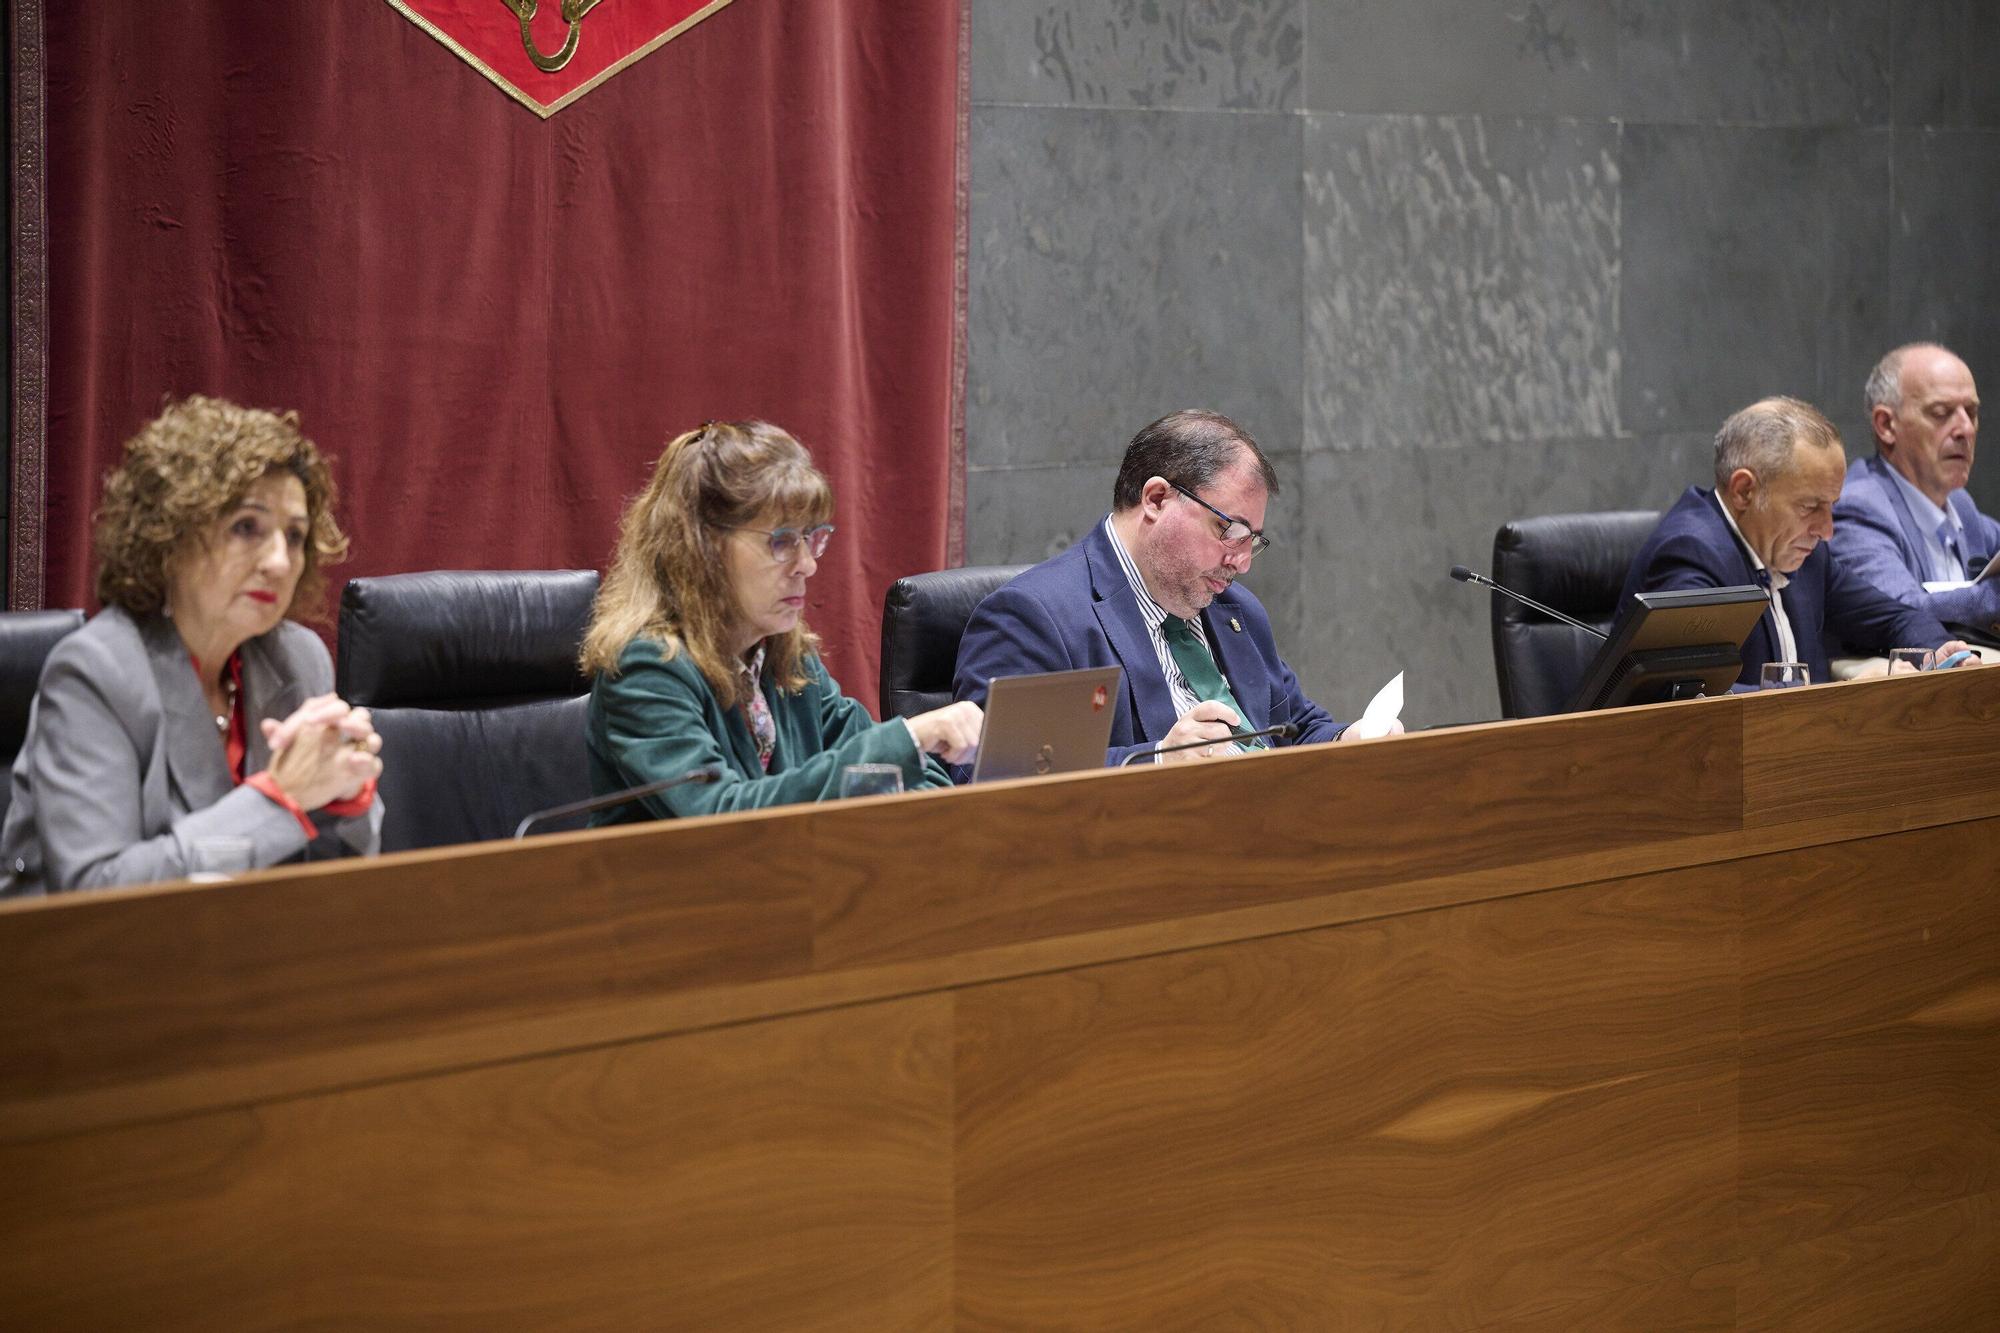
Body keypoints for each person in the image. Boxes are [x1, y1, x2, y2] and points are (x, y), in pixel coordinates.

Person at [1, 396, 383, 896]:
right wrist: (279, 798)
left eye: (294, 536)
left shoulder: (298, 658)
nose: (280, 561)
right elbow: (97, 892)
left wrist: (347, 796)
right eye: (248, 527)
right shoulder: (96, 671)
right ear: (171, 535)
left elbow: (337, 876)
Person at [581, 420, 981, 820]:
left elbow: (916, 777)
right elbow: (721, 817)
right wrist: (910, 738)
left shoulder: (785, 658)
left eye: (811, 538)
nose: (806, 565)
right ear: (702, 548)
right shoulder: (646, 669)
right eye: (782, 541)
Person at [954, 409, 1381, 768]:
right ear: (1157, 499)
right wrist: (1157, 760)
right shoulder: (1034, 617)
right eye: (1228, 530)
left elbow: (1296, 726)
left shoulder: (1235, 610)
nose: (1242, 562)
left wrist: (1350, 739)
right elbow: (991, 775)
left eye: (1252, 540)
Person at [1620, 395, 1970, 687]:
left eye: (1831, 506)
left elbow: (1896, 618)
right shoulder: (1691, 554)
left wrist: (1938, 652)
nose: (1827, 530)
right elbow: (1693, 696)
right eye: (1810, 506)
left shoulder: (1805, 552)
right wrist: (1846, 696)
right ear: (1744, 491)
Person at [1830, 343, 2000, 640]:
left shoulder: (1960, 505)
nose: (1966, 430)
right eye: (1941, 413)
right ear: (1886, 425)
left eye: (1971, 412)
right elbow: (1900, 612)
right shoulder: (1859, 508)